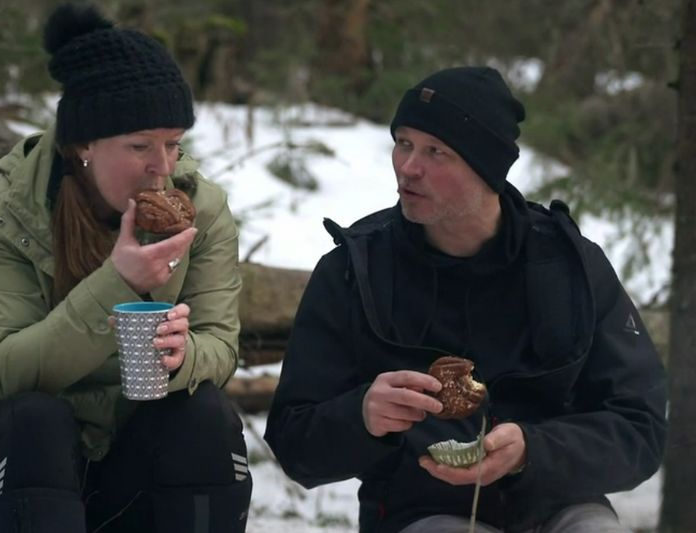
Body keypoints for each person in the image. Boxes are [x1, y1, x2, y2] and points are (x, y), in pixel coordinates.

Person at [264, 66, 667, 533]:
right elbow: (294, 442)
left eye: (436, 151)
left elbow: (639, 427)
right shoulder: (357, 270)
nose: (409, 167)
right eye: (403, 143)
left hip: (560, 502)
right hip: (421, 511)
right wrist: (362, 417)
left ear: (486, 168)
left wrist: (533, 450)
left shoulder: (569, 264)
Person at [0, 4, 251, 532]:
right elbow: (3, 371)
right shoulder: (4, 213)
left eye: (173, 143)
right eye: (140, 146)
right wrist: (118, 283)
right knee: (37, 419)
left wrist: (185, 357)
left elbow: (221, 346)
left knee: (204, 414)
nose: (163, 167)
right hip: (22, 460)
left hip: (133, 453)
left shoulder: (200, 209)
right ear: (84, 145)